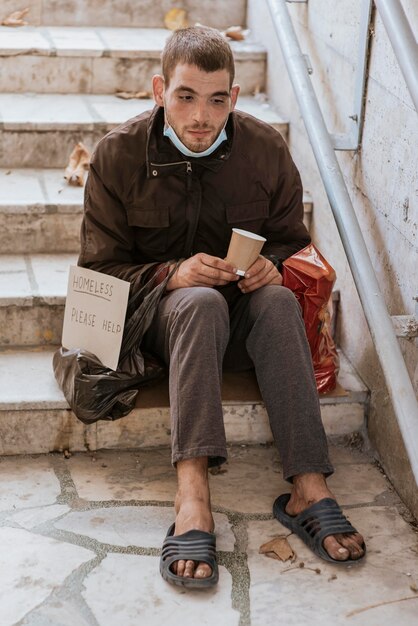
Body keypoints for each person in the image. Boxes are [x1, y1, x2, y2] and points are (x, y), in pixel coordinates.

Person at [79, 26, 365, 588]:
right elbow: (97, 275)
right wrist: (170, 275)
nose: (201, 115)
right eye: (185, 96)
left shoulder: (264, 149)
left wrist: (274, 267)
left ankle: (310, 487)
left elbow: (290, 240)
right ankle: (192, 494)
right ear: (160, 90)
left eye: (216, 99)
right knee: (199, 303)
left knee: (279, 300)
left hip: (241, 319)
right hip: (160, 322)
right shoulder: (117, 154)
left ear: (234, 97)